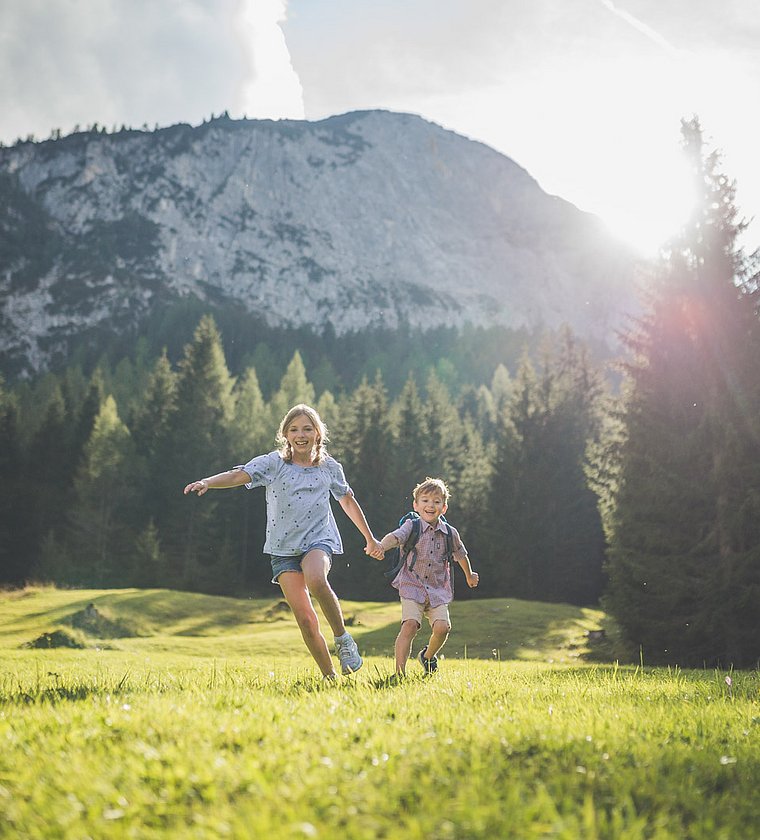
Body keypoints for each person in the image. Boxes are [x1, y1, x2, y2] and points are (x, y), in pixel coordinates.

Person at [184, 403, 384, 678]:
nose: (300, 434)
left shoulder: (329, 468)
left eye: (307, 428)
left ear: (318, 433)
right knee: (305, 619)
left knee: (315, 578)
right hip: (282, 549)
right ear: (285, 435)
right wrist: (208, 481)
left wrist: (370, 538)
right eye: (293, 429)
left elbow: (347, 501)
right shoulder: (273, 464)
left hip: (318, 539)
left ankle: (343, 640)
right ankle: (330, 677)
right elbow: (237, 475)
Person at [377, 477, 479, 676]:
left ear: (444, 508)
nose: (430, 505)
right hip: (411, 585)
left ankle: (427, 656)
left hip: (438, 588)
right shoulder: (411, 526)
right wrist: (381, 546)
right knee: (410, 626)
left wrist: (469, 575)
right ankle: (399, 673)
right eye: (425, 500)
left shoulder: (450, 533)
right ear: (416, 505)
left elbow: (461, 555)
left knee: (442, 628)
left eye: (436, 502)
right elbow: (395, 537)